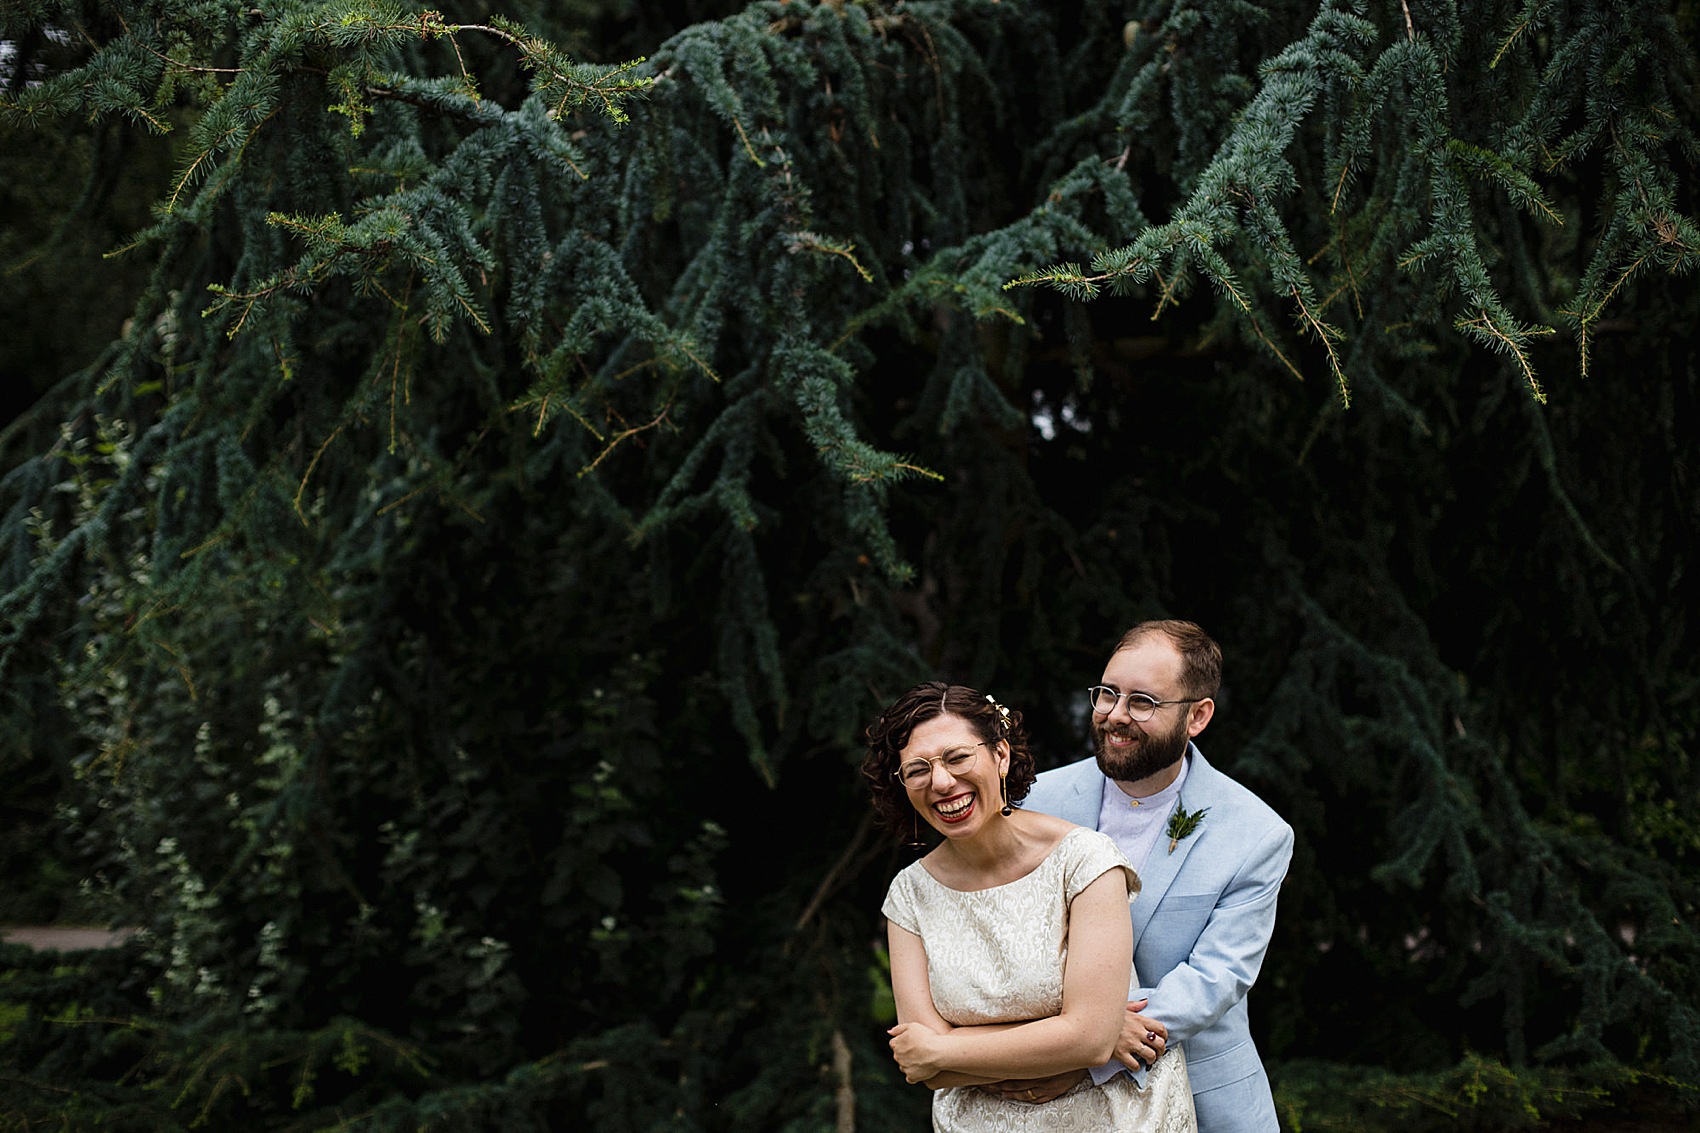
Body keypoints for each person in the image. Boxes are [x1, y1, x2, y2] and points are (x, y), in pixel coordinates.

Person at [864, 680, 1196, 1132]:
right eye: (917, 769)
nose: (941, 782)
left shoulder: (1086, 860)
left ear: (1000, 755)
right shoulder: (909, 896)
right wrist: (1064, 1043)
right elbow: (926, 1070)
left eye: (958, 757)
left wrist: (946, 1048)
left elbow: (1091, 1041)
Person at [1006, 620, 1294, 1133]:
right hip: (1046, 1103)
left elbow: (1216, 977)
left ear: (1198, 716)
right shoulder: (1035, 801)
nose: (1115, 716)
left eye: (1143, 702)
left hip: (1204, 1100)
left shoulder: (1257, 833)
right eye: (1107, 694)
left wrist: (1088, 1047)